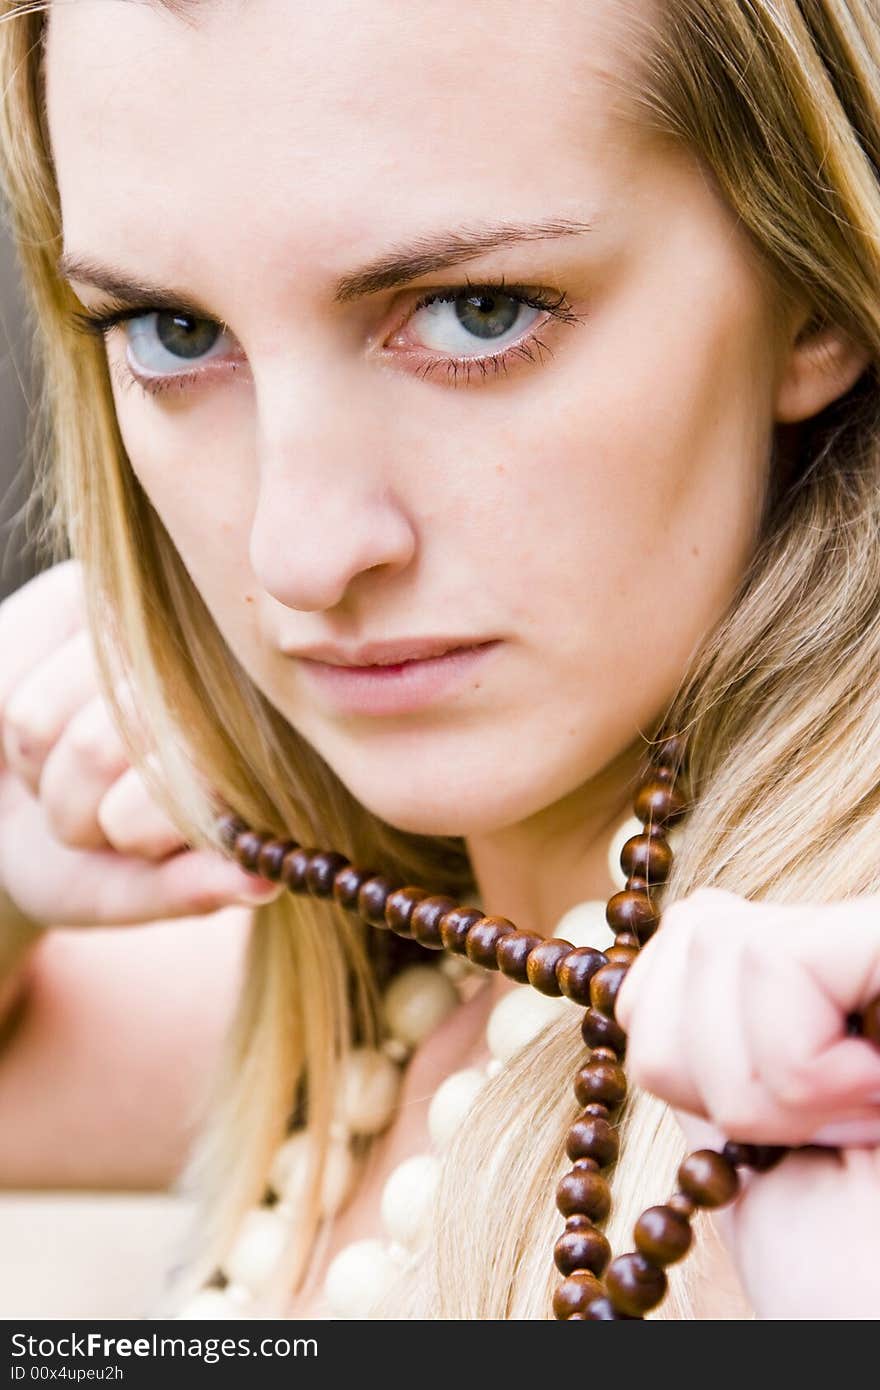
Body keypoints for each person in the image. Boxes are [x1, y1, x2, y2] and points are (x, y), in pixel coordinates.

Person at [0, 0, 878, 1321]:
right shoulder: (422, 977)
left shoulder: (821, 1058)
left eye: (477, 312)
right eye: (171, 332)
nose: (297, 552)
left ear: (815, 287)